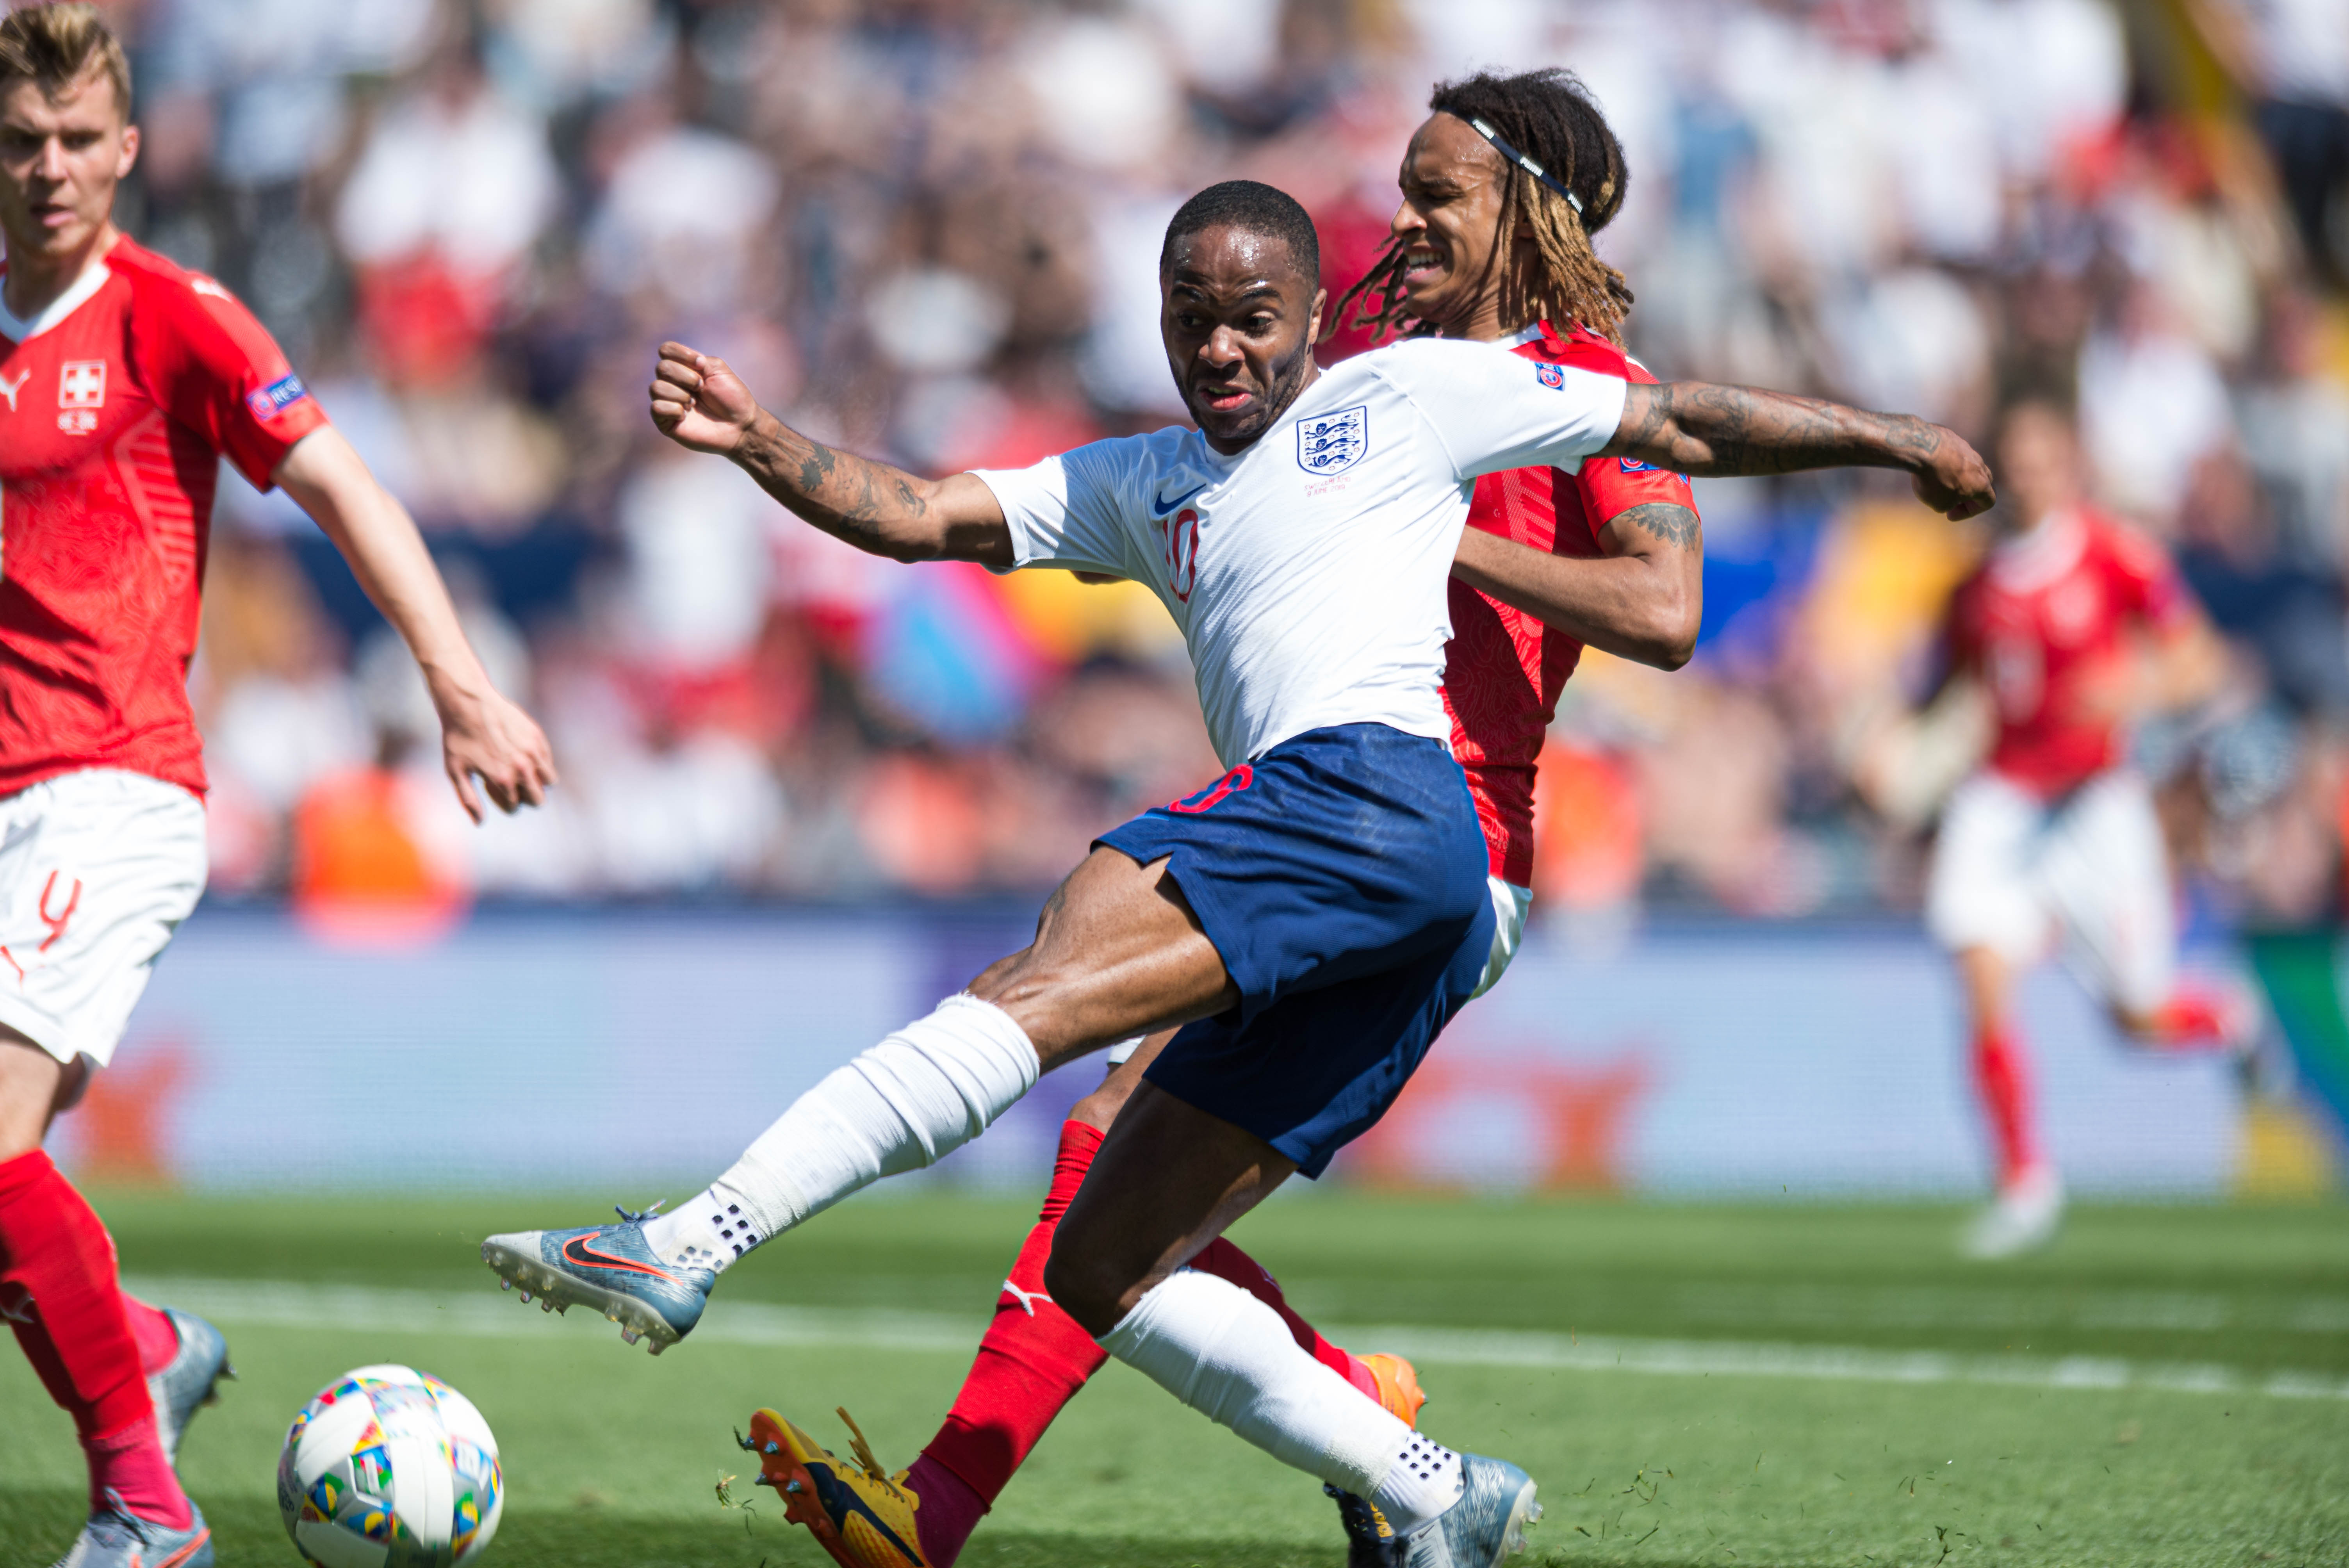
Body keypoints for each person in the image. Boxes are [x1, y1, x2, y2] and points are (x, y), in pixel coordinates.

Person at [485, 177, 1988, 1567]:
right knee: (1104, 1261)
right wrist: (760, 441)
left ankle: (689, 1240)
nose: (1218, 346)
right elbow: (922, 515)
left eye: (1252, 316)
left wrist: (1895, 439)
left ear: (1310, 314)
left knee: (1041, 977)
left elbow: (1679, 424)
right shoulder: (1138, 480)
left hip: (1368, 795)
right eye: (1189, 316)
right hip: (1396, 898)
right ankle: (1434, 1490)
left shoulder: (1404, 395)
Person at [740, 67, 1718, 1568]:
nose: (1403, 219)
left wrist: (1439, 536)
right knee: (1116, 1176)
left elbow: (1661, 608)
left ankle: (943, 1506)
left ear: (1527, 212)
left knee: (1103, 1152)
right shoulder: (1377, 375)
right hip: (1325, 809)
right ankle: (1361, 1433)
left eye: (1437, 193)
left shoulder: (1588, 390)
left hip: (1438, 833)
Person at [0, 9, 557, 1566]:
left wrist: (457, 683)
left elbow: (344, 485)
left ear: (128, 148)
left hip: (105, 786)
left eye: (78, 139)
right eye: (22, 141)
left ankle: (147, 1507)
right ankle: (149, 1349)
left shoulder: (171, 318)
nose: (50, 168)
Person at [1924, 397, 2244, 1260]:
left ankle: (2236, 1023)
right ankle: (2024, 1185)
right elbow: (1943, 692)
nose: (2027, 476)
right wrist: (1894, 747)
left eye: (2041, 458)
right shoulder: (1975, 586)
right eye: (2014, 460)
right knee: (1979, 973)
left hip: (2095, 803)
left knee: (2138, 1018)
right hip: (2001, 801)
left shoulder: (2112, 554)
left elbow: (2202, 659)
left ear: (2069, 464)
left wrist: (2137, 689)